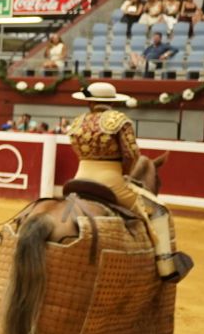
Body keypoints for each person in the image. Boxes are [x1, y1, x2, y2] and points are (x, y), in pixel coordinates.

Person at [68, 81, 189, 281]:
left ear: (89, 102)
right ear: (112, 103)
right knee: (159, 211)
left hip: (79, 177)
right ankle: (166, 267)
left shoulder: (77, 122)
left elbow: (77, 150)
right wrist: (124, 173)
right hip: (110, 180)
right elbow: (132, 154)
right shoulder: (119, 120)